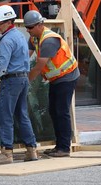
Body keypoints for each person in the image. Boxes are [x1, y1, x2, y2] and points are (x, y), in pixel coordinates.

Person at [0, 5, 38, 165]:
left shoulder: (6, 40)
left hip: (11, 81)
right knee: (22, 115)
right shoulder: (19, 36)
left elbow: (1, 66)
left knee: (5, 116)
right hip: (23, 78)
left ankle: (6, 153)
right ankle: (31, 150)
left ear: (9, 21)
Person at [24, 10, 80, 157]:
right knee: (54, 111)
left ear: (40, 25)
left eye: (30, 27)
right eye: (26, 28)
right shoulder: (34, 38)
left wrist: (25, 81)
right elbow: (25, 56)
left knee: (61, 111)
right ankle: (59, 146)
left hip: (67, 77)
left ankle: (64, 148)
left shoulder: (49, 41)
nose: (28, 30)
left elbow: (38, 67)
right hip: (56, 79)